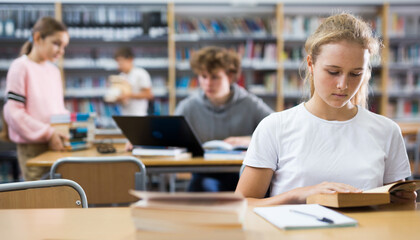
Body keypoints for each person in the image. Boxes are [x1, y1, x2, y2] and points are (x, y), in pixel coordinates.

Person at [235, 13, 417, 205]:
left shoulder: (387, 131)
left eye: (356, 74)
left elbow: (398, 209)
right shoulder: (274, 127)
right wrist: (299, 194)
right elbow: (240, 206)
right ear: (311, 64)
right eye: (333, 72)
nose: (343, 85)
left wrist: (403, 202)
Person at [175, 46, 273, 192]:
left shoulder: (250, 103)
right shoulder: (188, 106)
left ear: (230, 77)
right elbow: (168, 135)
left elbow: (277, 134)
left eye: (215, 77)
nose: (208, 83)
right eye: (203, 76)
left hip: (242, 174)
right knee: (200, 189)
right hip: (203, 173)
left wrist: (248, 140)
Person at [3, 17, 70, 181]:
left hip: (55, 142)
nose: (61, 51)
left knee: (59, 194)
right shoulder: (21, 67)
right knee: (39, 197)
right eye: (56, 43)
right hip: (32, 146)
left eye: (64, 46)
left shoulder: (54, 71)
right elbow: (14, 113)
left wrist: (70, 126)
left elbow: (58, 109)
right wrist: (48, 133)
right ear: (38, 38)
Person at [113, 47, 153, 116]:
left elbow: (149, 95)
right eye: (118, 63)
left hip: (139, 115)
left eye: (121, 62)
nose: (119, 66)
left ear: (130, 59)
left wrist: (129, 95)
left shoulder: (140, 73)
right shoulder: (121, 76)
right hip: (124, 115)